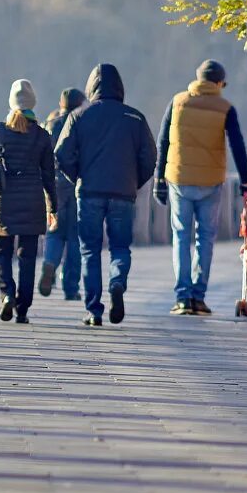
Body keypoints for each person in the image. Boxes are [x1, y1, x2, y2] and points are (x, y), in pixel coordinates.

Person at [54, 64, 156, 326]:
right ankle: (117, 281)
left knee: (89, 250)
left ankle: (94, 310)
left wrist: (78, 176)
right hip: (123, 193)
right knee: (120, 247)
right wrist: (134, 181)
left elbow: (62, 154)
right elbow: (150, 157)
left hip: (89, 192)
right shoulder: (135, 118)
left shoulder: (79, 116)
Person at [153, 59, 247, 316]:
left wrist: (158, 180)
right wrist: (245, 181)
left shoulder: (178, 102)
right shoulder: (225, 108)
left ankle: (182, 296)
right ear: (219, 82)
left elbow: (163, 139)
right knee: (205, 238)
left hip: (179, 178)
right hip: (210, 182)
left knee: (181, 236)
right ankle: (198, 297)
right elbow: (237, 145)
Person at [0, 80, 59, 324]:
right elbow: (49, 175)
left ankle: (7, 294)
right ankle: (23, 308)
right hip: (31, 202)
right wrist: (53, 207)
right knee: (27, 257)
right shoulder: (41, 136)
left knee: (2, 253)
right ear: (33, 103)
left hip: (2, 200)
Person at [39, 88, 86, 301]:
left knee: (54, 232)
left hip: (54, 187)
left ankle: (49, 263)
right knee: (75, 237)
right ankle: (71, 287)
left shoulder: (50, 124)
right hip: (77, 185)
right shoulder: (82, 123)